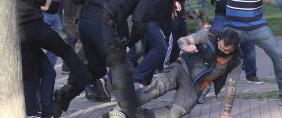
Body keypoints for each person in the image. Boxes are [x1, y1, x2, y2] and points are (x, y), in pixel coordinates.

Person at [53, 0, 167, 118]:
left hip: (85, 20)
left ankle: (65, 93)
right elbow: (140, 22)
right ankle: (127, 111)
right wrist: (131, 40)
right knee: (119, 64)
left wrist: (77, 4)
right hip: (102, 23)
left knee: (97, 68)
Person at [15, 0, 92, 118]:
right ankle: (88, 80)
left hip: (21, 35)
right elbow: (47, 4)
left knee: (43, 74)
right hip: (36, 28)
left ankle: (37, 114)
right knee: (66, 50)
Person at [104, 28, 243, 118]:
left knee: (176, 112)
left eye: (227, 51)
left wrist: (226, 113)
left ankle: (134, 115)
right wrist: (186, 46)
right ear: (219, 40)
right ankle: (119, 110)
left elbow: (232, 86)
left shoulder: (237, 59)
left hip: (196, 86)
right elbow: (183, 39)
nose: (222, 51)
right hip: (181, 68)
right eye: (220, 47)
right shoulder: (209, 34)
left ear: (234, 49)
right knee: (157, 88)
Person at [215, 0, 282, 97]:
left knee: (278, 54)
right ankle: (202, 92)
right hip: (233, 27)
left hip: (257, 26)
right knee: (218, 57)